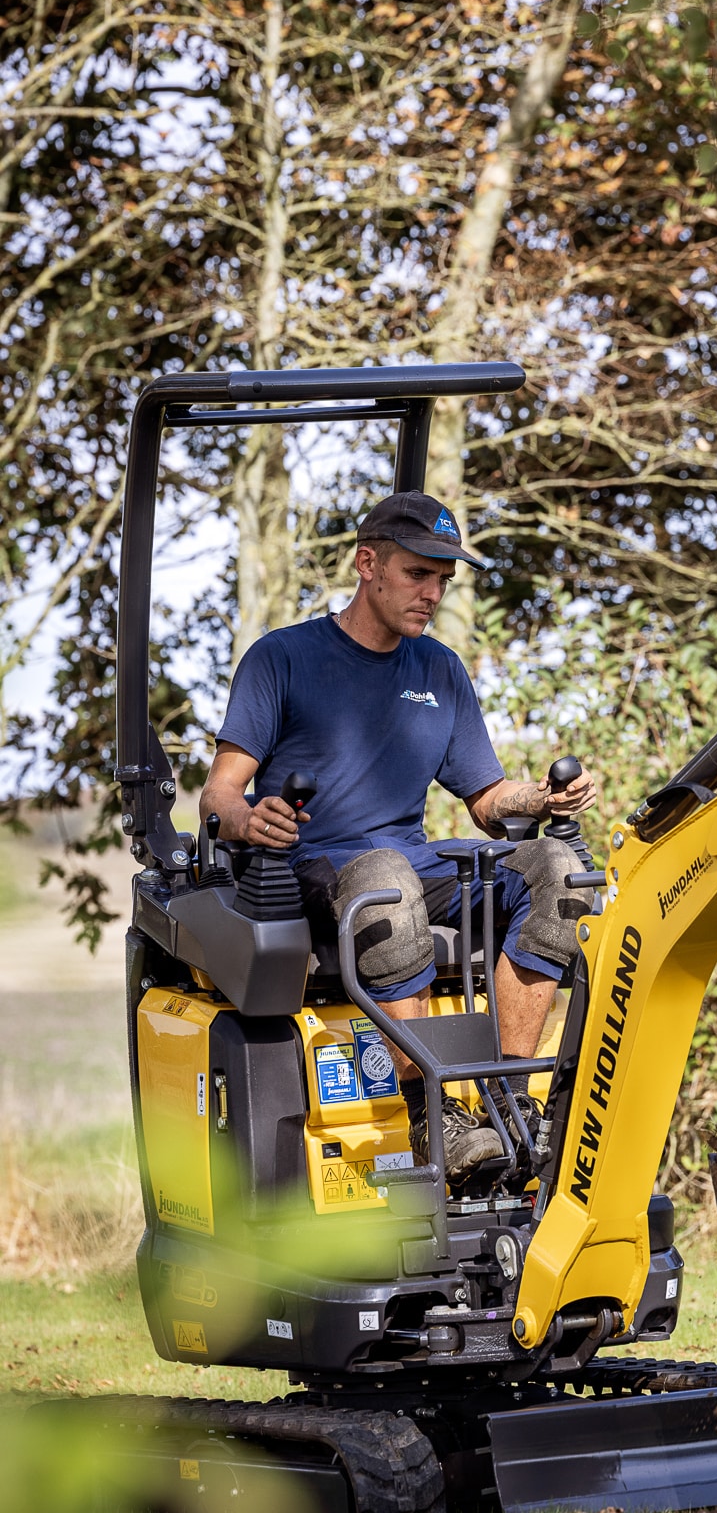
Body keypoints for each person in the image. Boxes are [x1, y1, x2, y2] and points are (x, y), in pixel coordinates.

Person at [199, 489, 597, 1180]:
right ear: (367, 564)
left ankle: (510, 1099)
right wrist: (248, 818)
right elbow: (219, 793)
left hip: (412, 864)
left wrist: (541, 797)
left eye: (442, 579)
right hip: (318, 867)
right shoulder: (282, 658)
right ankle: (428, 1114)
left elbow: (487, 801)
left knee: (558, 868)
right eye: (418, 574)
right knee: (387, 879)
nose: (432, 593)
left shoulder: (440, 670)